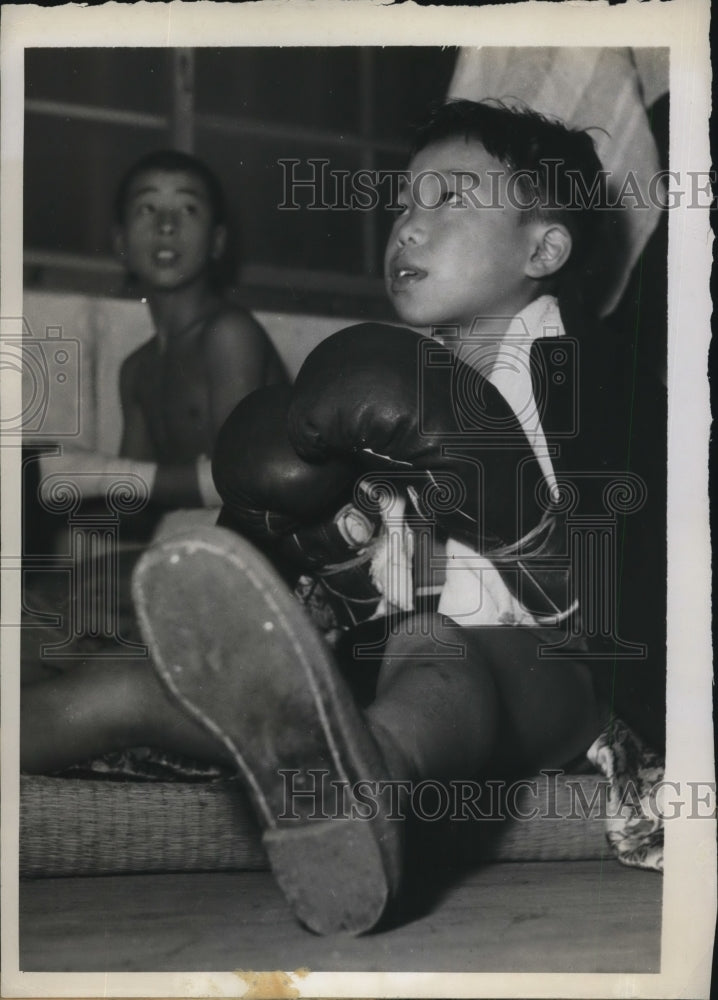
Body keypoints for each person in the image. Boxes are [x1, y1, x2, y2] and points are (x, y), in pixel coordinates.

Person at [22, 101, 664, 931]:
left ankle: (364, 793)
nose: (408, 227)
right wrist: (318, 558)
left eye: (448, 200)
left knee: (433, 642)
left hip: (545, 676)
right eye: (404, 202)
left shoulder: (596, 377)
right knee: (123, 689)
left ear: (543, 248)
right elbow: (291, 568)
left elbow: (646, 574)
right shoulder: (379, 384)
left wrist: (534, 545)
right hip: (372, 666)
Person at [34, 148, 285, 520]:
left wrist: (90, 474)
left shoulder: (229, 335)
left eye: (188, 209)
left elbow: (242, 484)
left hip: (266, 549)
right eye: (146, 208)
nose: (166, 224)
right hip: (194, 543)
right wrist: (57, 481)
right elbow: (131, 503)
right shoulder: (136, 370)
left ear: (217, 241)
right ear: (120, 243)